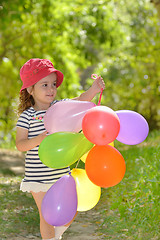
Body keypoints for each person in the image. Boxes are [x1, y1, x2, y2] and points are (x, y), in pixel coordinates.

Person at [16, 58, 105, 240]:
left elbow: (80, 100)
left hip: (60, 173)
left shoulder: (59, 107)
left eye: (53, 84)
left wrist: (94, 89)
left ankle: (55, 237)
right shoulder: (27, 116)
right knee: (46, 215)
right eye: (45, 85)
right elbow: (20, 144)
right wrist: (39, 139)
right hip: (38, 176)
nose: (51, 89)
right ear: (30, 89)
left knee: (71, 208)